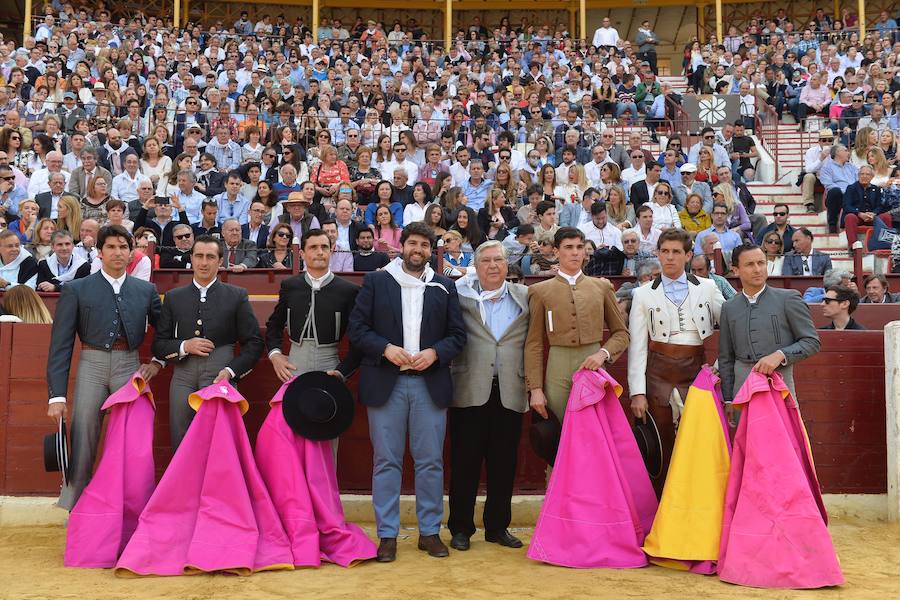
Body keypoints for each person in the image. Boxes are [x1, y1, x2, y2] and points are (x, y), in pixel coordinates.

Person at [347, 221, 466, 563]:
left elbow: (457, 335)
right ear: (402, 246)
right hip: (388, 380)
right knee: (386, 461)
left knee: (430, 461)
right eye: (413, 243)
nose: (418, 250)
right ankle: (387, 535)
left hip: (429, 383)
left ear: (432, 250)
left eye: (425, 246)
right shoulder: (376, 281)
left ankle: (429, 532)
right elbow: (357, 329)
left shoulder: (444, 285)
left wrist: (436, 353)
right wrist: (385, 348)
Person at [46, 225, 162, 510]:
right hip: (91, 364)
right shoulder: (77, 289)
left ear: (132, 252)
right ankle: (75, 505)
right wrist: (57, 396)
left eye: (123, 247)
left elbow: (166, 330)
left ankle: (130, 508)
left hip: (130, 363)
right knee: (83, 434)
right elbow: (61, 344)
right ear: (99, 252)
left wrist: (158, 361)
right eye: (111, 247)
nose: (118, 253)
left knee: (133, 440)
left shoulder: (145, 290)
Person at [628, 228, 725, 494]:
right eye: (665, 252)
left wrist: (716, 369)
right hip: (658, 372)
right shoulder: (643, 294)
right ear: (657, 253)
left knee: (697, 441)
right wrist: (637, 391)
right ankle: (662, 509)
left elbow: (731, 323)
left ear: (688, 255)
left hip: (696, 369)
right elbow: (637, 345)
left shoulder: (707, 287)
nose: (669, 258)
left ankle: (693, 505)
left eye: (676, 252)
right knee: (661, 442)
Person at [448, 241, 530, 552]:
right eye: (486, 261)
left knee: (504, 464)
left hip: (510, 389)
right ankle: (460, 528)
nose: (493, 265)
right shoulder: (459, 296)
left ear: (507, 265)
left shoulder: (524, 297)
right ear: (476, 265)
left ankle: (497, 527)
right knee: (464, 463)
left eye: (498, 260)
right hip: (469, 388)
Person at [151, 235, 264, 449]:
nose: (204, 262)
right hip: (182, 375)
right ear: (191, 258)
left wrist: (231, 372)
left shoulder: (236, 295)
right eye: (199, 256)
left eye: (210, 257)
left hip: (220, 373)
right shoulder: (174, 297)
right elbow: (159, 344)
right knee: (181, 436)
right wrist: (185, 346)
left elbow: (254, 343)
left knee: (218, 440)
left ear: (220, 261)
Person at [524, 227, 629, 423]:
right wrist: (536, 389)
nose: (575, 252)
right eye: (568, 247)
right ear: (556, 252)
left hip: (594, 365)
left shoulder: (602, 287)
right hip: (558, 368)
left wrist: (602, 354)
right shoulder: (539, 291)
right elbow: (534, 343)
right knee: (561, 431)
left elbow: (622, 334)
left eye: (579, 247)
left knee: (596, 430)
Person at [718, 243, 820, 422]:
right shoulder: (729, 307)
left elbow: (812, 342)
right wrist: (728, 398)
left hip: (779, 380)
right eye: (750, 264)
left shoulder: (788, 298)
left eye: (761, 263)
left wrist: (780, 355)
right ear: (736, 270)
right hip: (742, 386)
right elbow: (726, 357)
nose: (757, 269)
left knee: (782, 441)